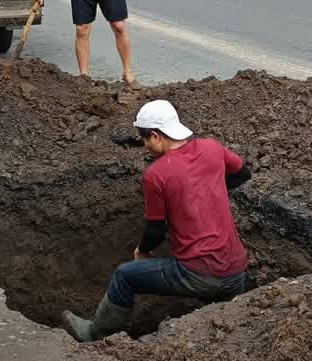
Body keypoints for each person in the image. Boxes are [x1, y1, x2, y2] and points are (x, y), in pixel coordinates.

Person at [62, 100, 252, 342]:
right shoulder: (212, 148)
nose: (145, 146)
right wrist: (209, 188)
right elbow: (244, 173)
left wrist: (142, 251)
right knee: (222, 325)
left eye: (144, 140)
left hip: (199, 275)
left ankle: (96, 333)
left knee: (125, 275)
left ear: (155, 135)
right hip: (236, 271)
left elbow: (156, 230)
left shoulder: (157, 174)